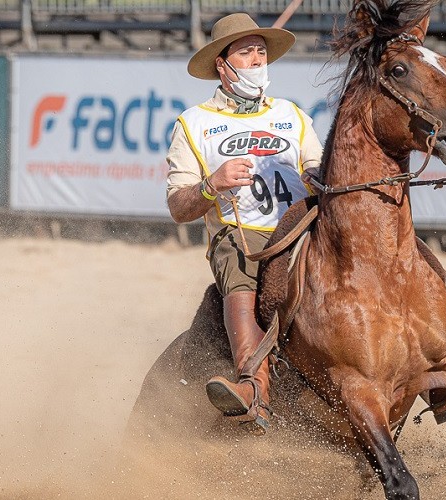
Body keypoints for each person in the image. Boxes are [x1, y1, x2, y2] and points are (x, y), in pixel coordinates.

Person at [165, 13, 323, 434]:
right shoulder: (193, 124)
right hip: (241, 233)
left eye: (260, 50)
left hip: (301, 223)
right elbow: (178, 207)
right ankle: (254, 387)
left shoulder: (292, 115)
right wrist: (211, 185)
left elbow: (319, 167)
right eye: (245, 51)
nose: (256, 60)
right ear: (222, 64)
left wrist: (317, 175)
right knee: (239, 263)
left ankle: (439, 374)